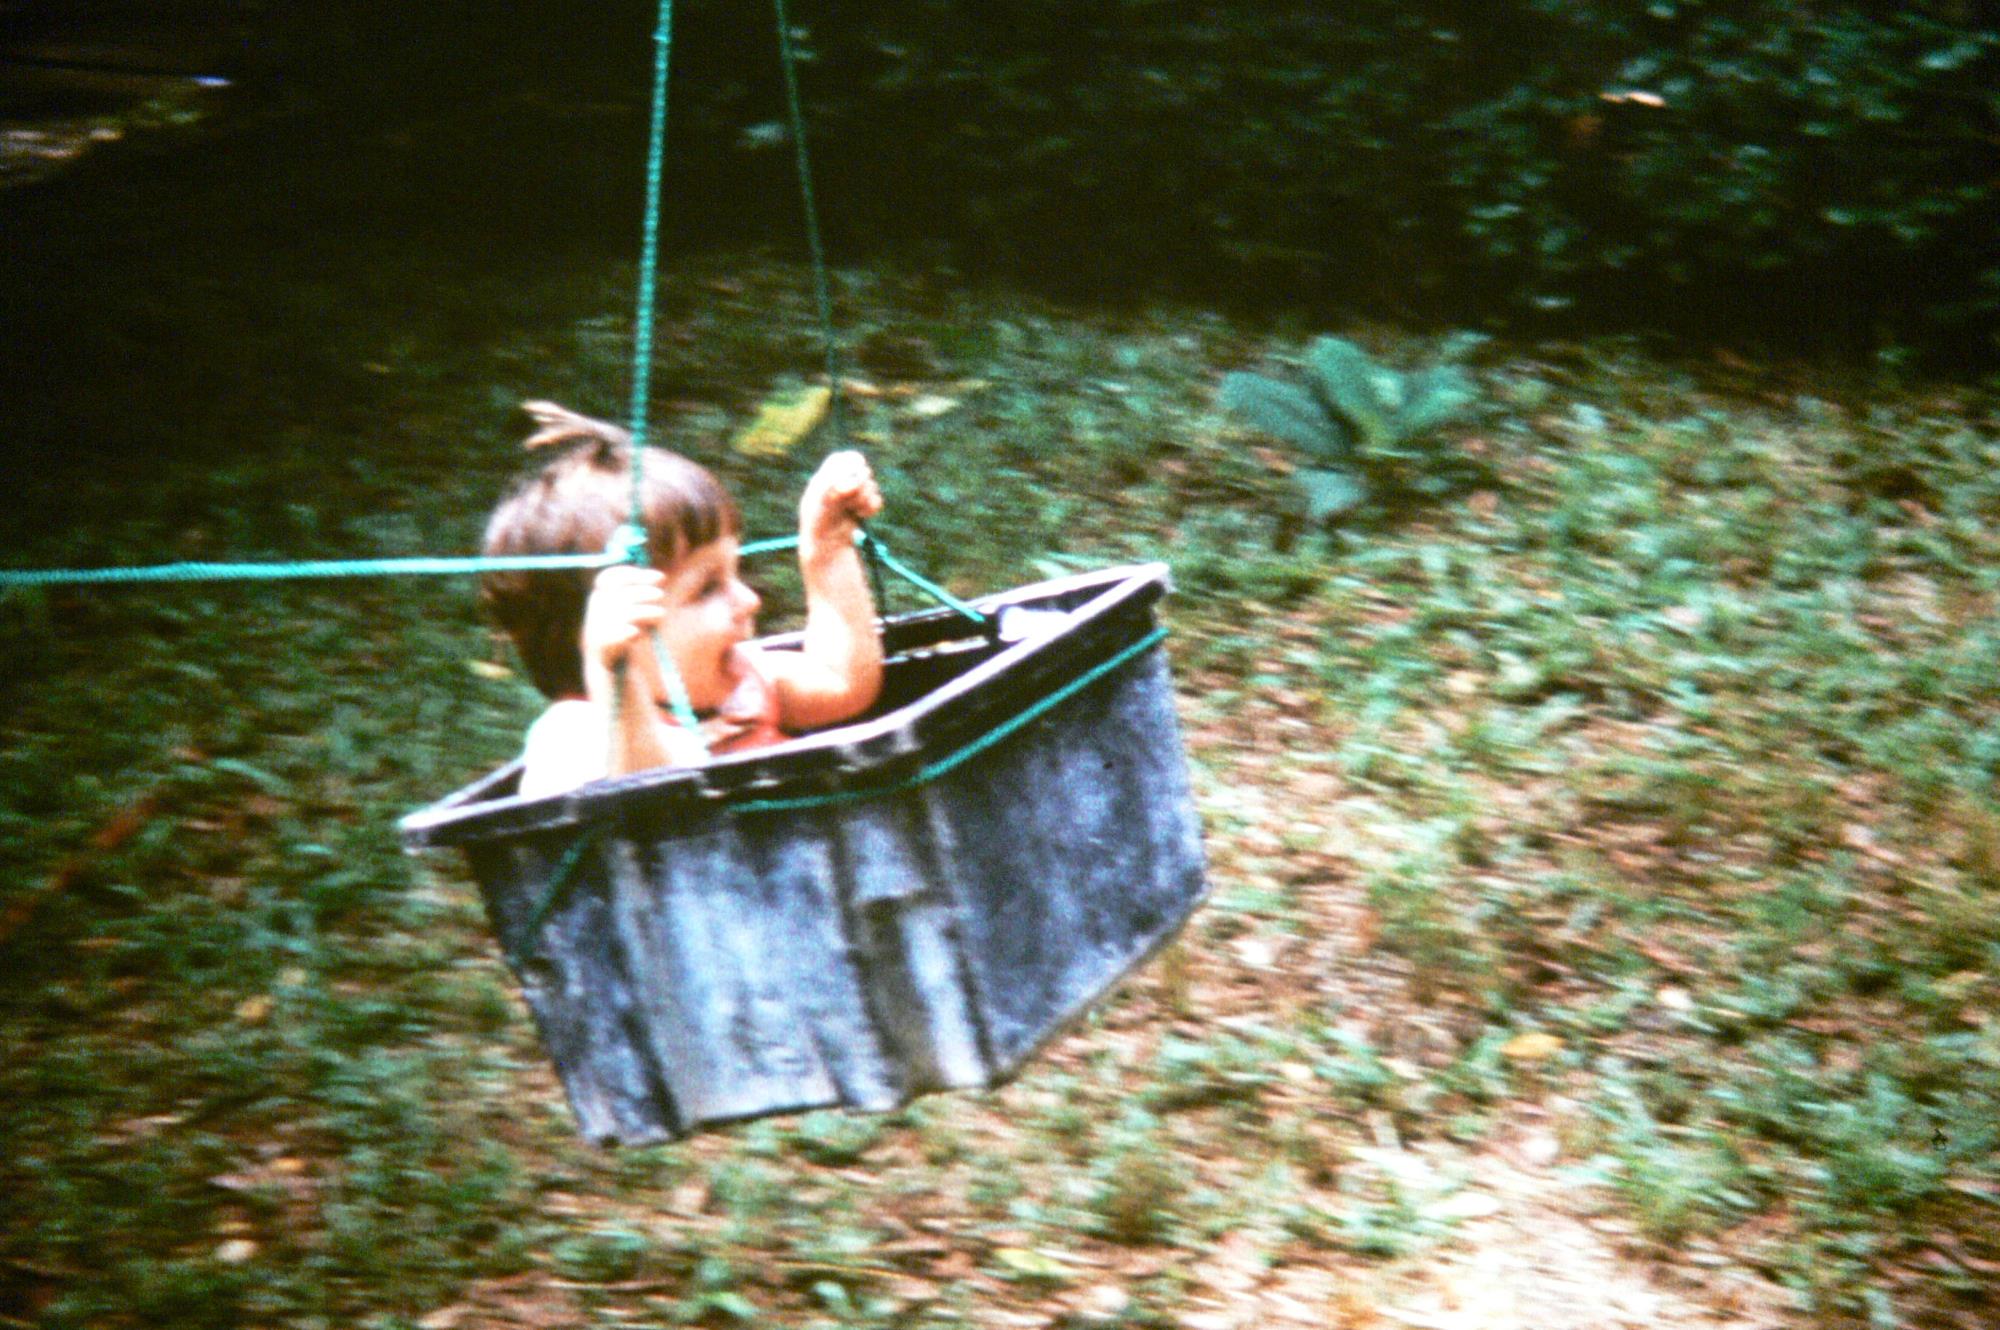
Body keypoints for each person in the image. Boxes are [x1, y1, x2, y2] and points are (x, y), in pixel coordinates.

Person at [480, 401, 883, 798]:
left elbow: (843, 685)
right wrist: (617, 679)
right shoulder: (571, 736)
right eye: (707, 588)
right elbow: (646, 802)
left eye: (736, 572)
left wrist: (827, 551)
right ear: (600, 634)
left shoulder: (742, 680)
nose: (750, 600)